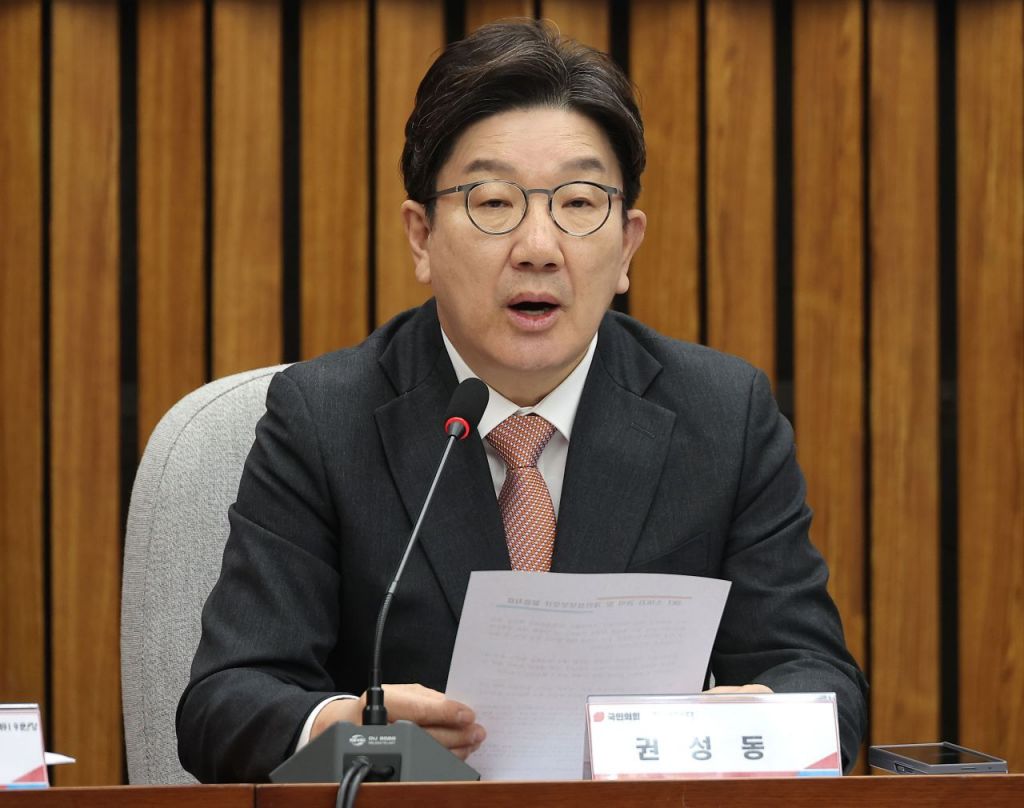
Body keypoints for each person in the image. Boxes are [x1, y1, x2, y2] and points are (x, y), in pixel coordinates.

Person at [177, 20, 867, 783]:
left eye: (579, 202)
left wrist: (756, 717)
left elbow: (821, 681)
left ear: (627, 245)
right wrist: (346, 727)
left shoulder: (723, 417)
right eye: (494, 201)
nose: (539, 247)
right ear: (421, 237)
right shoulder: (324, 419)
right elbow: (223, 706)